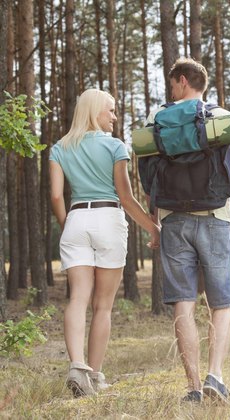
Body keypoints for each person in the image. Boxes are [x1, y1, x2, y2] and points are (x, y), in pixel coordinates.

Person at [140, 58, 230, 403]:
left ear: (183, 81)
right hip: (217, 217)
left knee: (183, 304)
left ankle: (191, 388)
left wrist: (155, 222)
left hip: (173, 220)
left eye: (173, 84)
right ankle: (214, 376)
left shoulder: (155, 120)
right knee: (222, 303)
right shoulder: (222, 118)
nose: (170, 91)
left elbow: (148, 180)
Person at [49, 89, 161, 397]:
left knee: (78, 300)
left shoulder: (60, 148)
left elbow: (57, 196)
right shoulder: (115, 146)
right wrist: (153, 228)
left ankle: (77, 366)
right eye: (110, 111)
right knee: (103, 306)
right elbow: (125, 198)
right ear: (95, 111)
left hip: (75, 220)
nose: (114, 116)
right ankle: (95, 377)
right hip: (108, 219)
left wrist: (68, 223)